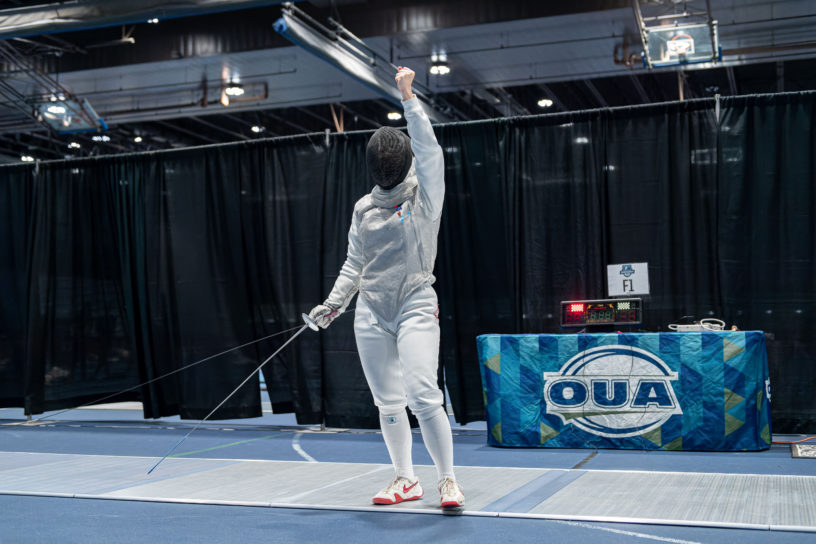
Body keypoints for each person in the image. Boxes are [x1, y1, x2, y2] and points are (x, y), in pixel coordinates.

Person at [308, 66, 464, 509]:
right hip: (371, 310)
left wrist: (408, 98)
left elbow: (430, 152)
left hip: (416, 301)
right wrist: (333, 303)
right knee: (388, 401)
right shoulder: (363, 208)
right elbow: (356, 262)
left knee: (422, 392)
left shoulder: (424, 197)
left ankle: (447, 479)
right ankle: (405, 478)